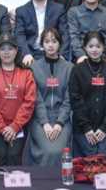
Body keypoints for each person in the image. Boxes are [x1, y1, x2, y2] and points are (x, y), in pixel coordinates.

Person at [0, 32, 36, 166]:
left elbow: (29, 103)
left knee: (14, 157)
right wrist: (3, 128)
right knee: (0, 156)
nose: (6, 52)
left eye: (10, 48)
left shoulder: (26, 73)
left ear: (16, 50)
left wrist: (14, 127)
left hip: (19, 126)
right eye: (2, 49)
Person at [69, 31, 106, 159]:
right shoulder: (77, 70)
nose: (94, 50)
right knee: (87, 161)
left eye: (98, 46)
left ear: (103, 47)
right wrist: (86, 127)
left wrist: (105, 127)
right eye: (90, 46)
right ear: (84, 48)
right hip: (83, 128)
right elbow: (76, 100)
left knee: (105, 160)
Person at [29, 27, 74, 165]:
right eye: (47, 41)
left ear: (60, 44)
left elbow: (69, 99)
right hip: (40, 119)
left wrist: (60, 123)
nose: (50, 45)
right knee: (48, 150)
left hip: (62, 118)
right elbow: (37, 99)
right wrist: (45, 123)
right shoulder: (33, 68)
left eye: (54, 41)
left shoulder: (69, 68)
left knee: (59, 150)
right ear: (42, 44)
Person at [15, 0, 68, 65]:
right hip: (32, 53)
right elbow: (19, 35)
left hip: (54, 52)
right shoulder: (21, 11)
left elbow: (64, 34)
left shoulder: (58, 9)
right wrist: (26, 54)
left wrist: (62, 54)